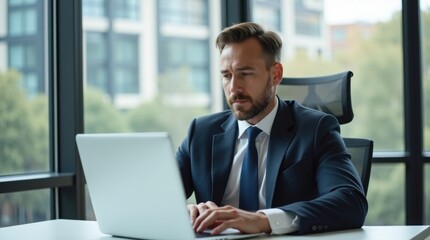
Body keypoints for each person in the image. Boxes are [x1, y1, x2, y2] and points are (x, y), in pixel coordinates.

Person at [175, 22, 367, 236]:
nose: (234, 88)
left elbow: (351, 202)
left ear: (275, 74)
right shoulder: (201, 132)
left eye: (245, 73)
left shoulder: (315, 130)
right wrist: (183, 212)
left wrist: (264, 220)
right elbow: (152, 200)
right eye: (227, 76)